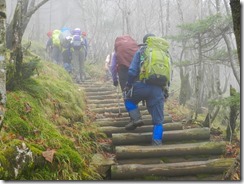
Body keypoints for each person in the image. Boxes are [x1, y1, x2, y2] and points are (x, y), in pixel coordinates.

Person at [123, 33, 170, 146]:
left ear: (145, 42)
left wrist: (128, 85)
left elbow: (132, 71)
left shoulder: (141, 51)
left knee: (128, 99)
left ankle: (136, 118)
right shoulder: (164, 54)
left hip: (140, 86)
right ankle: (157, 142)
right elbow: (168, 75)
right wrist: (165, 90)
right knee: (158, 120)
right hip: (157, 90)